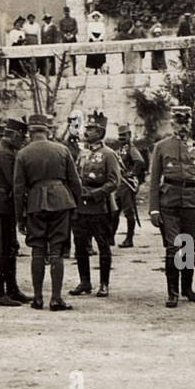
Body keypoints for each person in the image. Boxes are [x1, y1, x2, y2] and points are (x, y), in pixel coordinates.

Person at [14, 113, 83, 310]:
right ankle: (55, 298)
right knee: (57, 250)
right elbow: (75, 182)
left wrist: (20, 217)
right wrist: (77, 206)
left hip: (35, 203)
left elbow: (18, 189)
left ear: (30, 132)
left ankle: (37, 298)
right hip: (61, 202)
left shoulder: (23, 154)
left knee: (37, 249)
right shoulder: (62, 150)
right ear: (47, 130)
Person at [148, 104, 195, 308]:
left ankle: (188, 288)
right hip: (169, 202)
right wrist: (154, 209)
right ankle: (172, 292)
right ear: (172, 124)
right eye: (179, 123)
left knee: (189, 246)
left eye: (186, 123)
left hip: (192, 202)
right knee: (173, 247)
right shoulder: (161, 147)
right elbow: (155, 180)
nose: (182, 127)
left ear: (190, 124)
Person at [70, 112, 122, 297]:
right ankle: (84, 282)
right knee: (80, 244)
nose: (87, 131)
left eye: (91, 129)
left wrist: (96, 194)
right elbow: (75, 175)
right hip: (81, 205)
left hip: (100, 206)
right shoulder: (82, 153)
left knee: (103, 245)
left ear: (100, 132)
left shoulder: (109, 154)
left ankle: (104, 284)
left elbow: (114, 181)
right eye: (87, 128)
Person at [0, 118, 31, 307]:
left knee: (10, 246)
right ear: (13, 135)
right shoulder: (5, 153)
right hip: (2, 203)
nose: (23, 141)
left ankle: (11, 289)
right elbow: (14, 181)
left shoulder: (0, 149)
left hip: (0, 202)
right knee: (5, 248)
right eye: (21, 137)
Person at [112, 124, 147, 248]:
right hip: (120, 184)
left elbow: (140, 162)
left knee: (128, 212)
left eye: (124, 135)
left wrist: (131, 173)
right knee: (115, 211)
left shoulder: (131, 149)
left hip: (128, 184)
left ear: (129, 135)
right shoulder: (122, 148)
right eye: (120, 135)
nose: (121, 138)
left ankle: (129, 238)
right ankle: (111, 237)